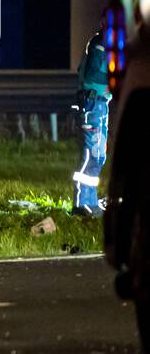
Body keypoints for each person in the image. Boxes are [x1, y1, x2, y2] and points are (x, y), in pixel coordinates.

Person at [72, 29, 111, 218]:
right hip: (93, 104)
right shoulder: (100, 44)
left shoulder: (104, 43)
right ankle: (81, 203)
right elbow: (94, 76)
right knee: (91, 155)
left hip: (99, 105)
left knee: (98, 156)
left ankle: (91, 202)